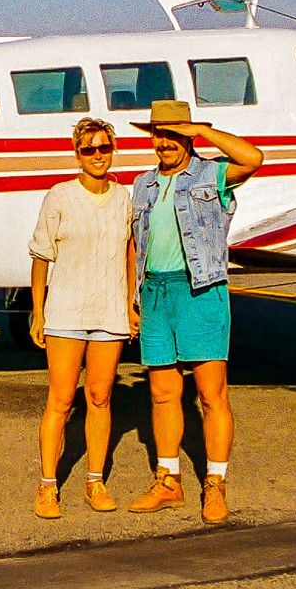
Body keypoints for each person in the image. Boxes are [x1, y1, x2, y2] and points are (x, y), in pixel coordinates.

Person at [125, 99, 262, 524]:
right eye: (159, 134)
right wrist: (132, 299)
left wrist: (201, 130)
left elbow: (253, 158)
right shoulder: (143, 184)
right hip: (155, 293)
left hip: (200, 290)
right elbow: (135, 243)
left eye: (174, 134)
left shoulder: (212, 173)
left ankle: (215, 485)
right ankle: (169, 481)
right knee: (163, 393)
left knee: (211, 395)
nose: (165, 142)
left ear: (187, 135)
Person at [26, 117, 137, 519]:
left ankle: (95, 481)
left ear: (113, 150)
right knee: (60, 398)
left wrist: (130, 303)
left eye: (103, 148)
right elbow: (41, 256)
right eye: (88, 149)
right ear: (76, 153)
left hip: (109, 311)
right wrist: (37, 312)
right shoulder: (59, 197)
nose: (96, 156)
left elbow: (129, 251)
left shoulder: (124, 198)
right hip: (66, 311)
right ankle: (48, 486)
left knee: (100, 397)